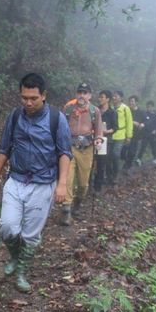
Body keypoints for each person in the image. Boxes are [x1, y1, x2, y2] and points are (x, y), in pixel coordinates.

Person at [0, 73, 71, 291]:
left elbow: (64, 152)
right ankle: (15, 257)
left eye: (33, 98)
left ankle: (22, 271)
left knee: (30, 234)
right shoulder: (15, 116)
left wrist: (62, 184)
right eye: (24, 97)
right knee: (7, 227)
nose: (28, 102)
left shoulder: (56, 119)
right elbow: (4, 147)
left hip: (43, 184)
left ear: (43, 96)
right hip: (16, 179)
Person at [61, 82, 103, 224]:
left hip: (87, 149)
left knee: (83, 183)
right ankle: (66, 210)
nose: (82, 95)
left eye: (85, 93)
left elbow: (98, 130)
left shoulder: (94, 111)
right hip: (70, 147)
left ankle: (78, 202)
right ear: (76, 94)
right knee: (67, 179)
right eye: (80, 92)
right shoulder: (68, 109)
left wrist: (98, 139)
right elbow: (61, 127)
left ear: (90, 95)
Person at [93, 90, 118, 191]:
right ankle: (89, 183)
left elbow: (115, 127)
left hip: (106, 140)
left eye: (102, 97)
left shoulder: (112, 112)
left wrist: (106, 131)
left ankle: (98, 185)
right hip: (94, 139)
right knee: (92, 161)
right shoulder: (95, 110)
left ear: (108, 99)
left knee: (101, 162)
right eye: (99, 97)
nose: (100, 99)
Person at [111, 90, 133, 181]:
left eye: (116, 96)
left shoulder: (125, 108)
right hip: (110, 135)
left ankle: (116, 174)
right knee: (109, 156)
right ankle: (109, 173)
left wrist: (129, 136)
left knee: (116, 154)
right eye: (113, 96)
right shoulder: (111, 107)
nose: (114, 98)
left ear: (121, 98)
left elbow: (129, 122)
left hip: (120, 135)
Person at [136, 100, 156, 164]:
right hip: (146, 133)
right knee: (143, 146)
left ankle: (155, 158)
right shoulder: (145, 114)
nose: (148, 108)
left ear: (153, 107)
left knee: (154, 147)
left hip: (154, 135)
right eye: (147, 107)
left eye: (150, 107)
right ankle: (139, 159)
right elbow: (142, 122)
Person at [127, 95, 146, 167]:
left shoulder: (141, 112)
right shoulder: (127, 110)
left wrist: (142, 124)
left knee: (132, 151)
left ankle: (128, 165)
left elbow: (146, 121)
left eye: (132, 101)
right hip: (126, 133)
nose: (130, 103)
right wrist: (132, 122)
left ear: (136, 102)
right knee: (124, 150)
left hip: (136, 135)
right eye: (130, 101)